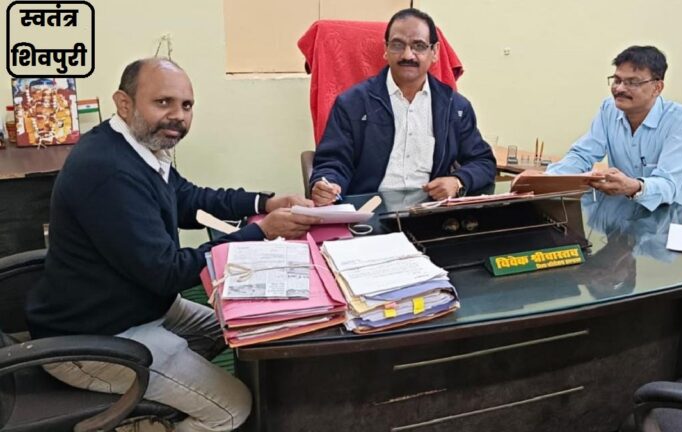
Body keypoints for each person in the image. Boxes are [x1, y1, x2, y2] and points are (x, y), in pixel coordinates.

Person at [25, 58, 320, 432]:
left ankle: (162, 397)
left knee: (239, 331)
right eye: (163, 102)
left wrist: (265, 202)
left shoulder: (137, 146)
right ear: (124, 103)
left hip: (138, 306)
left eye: (186, 105)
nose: (178, 116)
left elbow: (188, 198)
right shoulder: (108, 171)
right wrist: (261, 232)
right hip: (94, 338)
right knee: (233, 408)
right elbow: (167, 272)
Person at [310, 8, 496, 205]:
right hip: (367, 213)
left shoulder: (454, 107)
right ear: (386, 49)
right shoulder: (352, 103)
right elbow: (333, 162)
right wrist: (327, 185)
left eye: (419, 46)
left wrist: (458, 181)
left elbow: (483, 161)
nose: (408, 55)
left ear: (434, 52)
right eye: (397, 45)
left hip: (429, 212)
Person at [546, 45, 682, 213]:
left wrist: (634, 186)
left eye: (632, 82)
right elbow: (583, 154)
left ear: (657, 88)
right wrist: (545, 181)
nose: (619, 89)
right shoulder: (609, 109)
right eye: (617, 80)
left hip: (675, 217)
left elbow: (668, 184)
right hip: (626, 212)